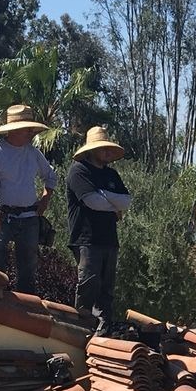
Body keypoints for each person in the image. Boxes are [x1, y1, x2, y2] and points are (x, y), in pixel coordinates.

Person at [0, 104, 57, 296]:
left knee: (28, 261)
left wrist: (45, 200)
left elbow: (51, 176)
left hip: (29, 216)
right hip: (3, 214)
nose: (31, 133)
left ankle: (25, 304)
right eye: (27, 129)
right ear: (15, 130)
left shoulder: (33, 153)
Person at [65, 125, 132, 331]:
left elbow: (126, 201)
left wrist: (105, 196)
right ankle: (82, 326)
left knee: (107, 288)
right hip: (86, 239)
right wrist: (112, 202)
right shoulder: (79, 171)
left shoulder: (112, 174)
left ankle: (104, 328)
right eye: (102, 148)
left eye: (107, 149)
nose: (106, 152)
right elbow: (91, 201)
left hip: (109, 239)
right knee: (89, 284)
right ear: (91, 149)